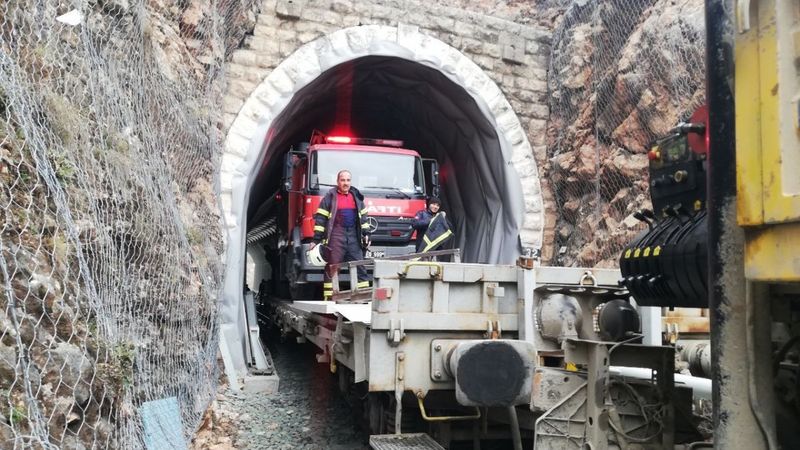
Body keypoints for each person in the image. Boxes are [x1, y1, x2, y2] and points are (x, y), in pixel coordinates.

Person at [310, 170, 372, 300]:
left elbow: (364, 218)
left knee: (359, 266)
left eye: (348, 180)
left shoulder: (357, 197)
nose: (346, 183)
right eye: (343, 180)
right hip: (336, 235)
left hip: (354, 236)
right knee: (332, 267)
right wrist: (316, 240)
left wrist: (367, 234)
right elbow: (320, 220)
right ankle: (329, 298)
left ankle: (363, 296)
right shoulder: (330, 197)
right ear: (337, 181)